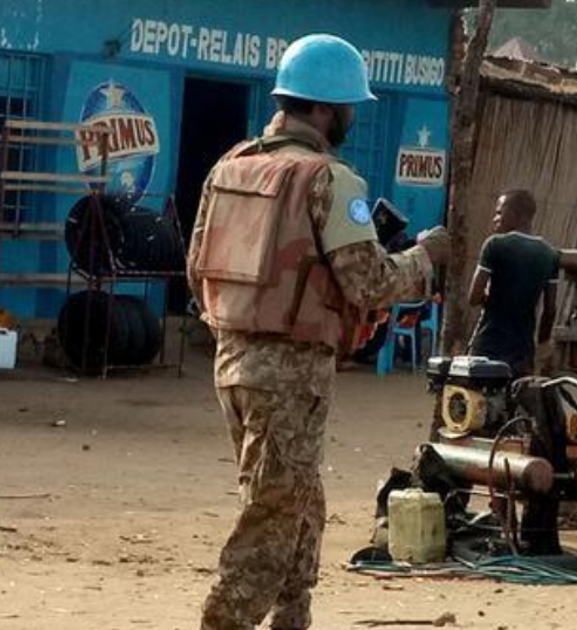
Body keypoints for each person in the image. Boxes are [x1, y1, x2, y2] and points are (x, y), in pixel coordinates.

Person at [187, 34, 450, 630]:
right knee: (274, 512)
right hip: (292, 371)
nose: (353, 117)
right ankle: (225, 620)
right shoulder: (329, 179)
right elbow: (369, 281)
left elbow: (196, 267)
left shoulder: (230, 168)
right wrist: (425, 258)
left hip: (233, 360)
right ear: (330, 108)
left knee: (299, 498)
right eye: (351, 107)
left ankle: (292, 615)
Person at [467, 190, 560, 376]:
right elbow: (550, 310)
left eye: (499, 213)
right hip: (523, 351)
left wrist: (491, 299)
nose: (495, 218)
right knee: (517, 392)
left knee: (474, 391)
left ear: (517, 215)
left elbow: (473, 297)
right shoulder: (550, 254)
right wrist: (542, 344)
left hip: (488, 344)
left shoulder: (494, 245)